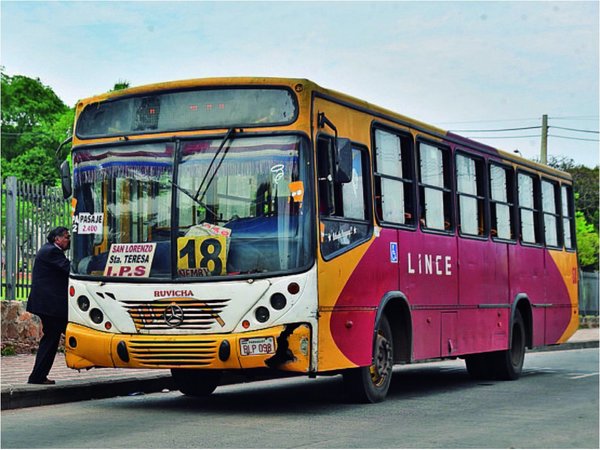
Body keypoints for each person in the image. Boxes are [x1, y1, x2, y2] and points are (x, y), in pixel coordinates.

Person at [26, 226, 71, 385]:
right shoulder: (52, 251)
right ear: (56, 238)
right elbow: (69, 269)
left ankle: (37, 376)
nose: (68, 240)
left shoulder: (49, 250)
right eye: (66, 237)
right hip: (50, 306)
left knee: (51, 338)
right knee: (53, 338)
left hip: (48, 305)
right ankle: (37, 377)